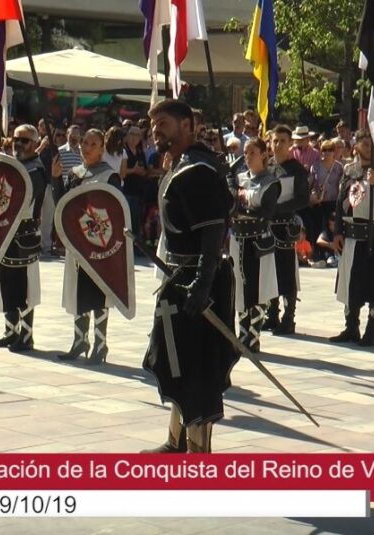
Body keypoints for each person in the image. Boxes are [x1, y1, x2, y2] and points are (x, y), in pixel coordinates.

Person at [141, 99, 236, 454]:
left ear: (187, 125)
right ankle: (176, 440)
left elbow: (213, 234)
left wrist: (201, 284)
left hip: (199, 282)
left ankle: (199, 455)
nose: (156, 131)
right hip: (180, 277)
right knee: (178, 364)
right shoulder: (182, 166)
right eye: (153, 125)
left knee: (198, 372)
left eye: (163, 123)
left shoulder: (197, 170)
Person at [0, 124, 54, 353]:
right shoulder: (12, 165)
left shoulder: (36, 170)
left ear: (35, 144)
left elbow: (21, 198)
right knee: (7, 282)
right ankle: (10, 331)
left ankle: (26, 335)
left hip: (24, 233)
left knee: (24, 287)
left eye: (24, 140)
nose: (19, 144)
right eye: (16, 139)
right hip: (6, 231)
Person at [57, 128, 121, 365]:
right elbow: (62, 204)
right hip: (76, 243)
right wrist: (56, 179)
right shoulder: (75, 173)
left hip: (98, 244)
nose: (86, 147)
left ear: (102, 148)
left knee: (98, 293)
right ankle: (79, 340)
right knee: (78, 291)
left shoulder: (109, 176)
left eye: (93, 144)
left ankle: (100, 344)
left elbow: (115, 212)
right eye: (84, 142)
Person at [330, 130, 374, 347]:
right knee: (351, 280)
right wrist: (338, 231)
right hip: (351, 235)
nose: (369, 147)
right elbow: (340, 203)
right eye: (364, 144)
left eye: (371, 143)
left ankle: (372, 330)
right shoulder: (350, 170)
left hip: (373, 236)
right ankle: (351, 327)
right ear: (356, 146)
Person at [230, 137, 281, 352]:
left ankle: (254, 335)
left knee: (259, 287)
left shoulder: (271, 182)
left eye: (252, 152)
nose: (247, 157)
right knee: (239, 285)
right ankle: (242, 333)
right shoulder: (239, 178)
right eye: (245, 153)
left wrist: (239, 210)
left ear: (263, 154)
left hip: (258, 241)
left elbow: (265, 214)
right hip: (238, 238)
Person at [261, 125, 311, 336]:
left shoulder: (297, 170)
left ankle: (288, 318)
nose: (278, 144)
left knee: (287, 272)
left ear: (290, 143)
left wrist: (279, 208)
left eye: (283, 140)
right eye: (275, 140)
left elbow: (303, 199)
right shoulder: (268, 168)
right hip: (268, 227)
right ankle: (272, 314)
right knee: (269, 270)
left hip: (285, 227)